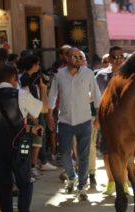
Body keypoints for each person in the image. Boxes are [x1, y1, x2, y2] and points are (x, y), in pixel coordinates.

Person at [0, 64, 48, 212]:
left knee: (4, 186)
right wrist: (43, 89)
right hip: (19, 147)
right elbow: (44, 109)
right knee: (25, 184)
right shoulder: (21, 95)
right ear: (13, 79)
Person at [47, 48, 101, 201]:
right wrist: (50, 116)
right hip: (64, 121)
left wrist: (98, 116)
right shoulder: (59, 75)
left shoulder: (88, 73)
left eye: (80, 57)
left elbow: (96, 95)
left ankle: (82, 186)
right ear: (67, 58)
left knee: (83, 156)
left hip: (84, 120)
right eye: (75, 57)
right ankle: (72, 176)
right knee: (64, 153)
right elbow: (52, 96)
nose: (78, 59)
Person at [95, 46, 128, 195]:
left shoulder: (130, 74)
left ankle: (125, 182)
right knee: (107, 152)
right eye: (115, 57)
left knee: (125, 152)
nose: (118, 60)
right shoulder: (101, 76)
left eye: (121, 56)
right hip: (107, 119)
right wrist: (97, 117)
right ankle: (111, 182)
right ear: (109, 58)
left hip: (126, 120)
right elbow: (98, 100)